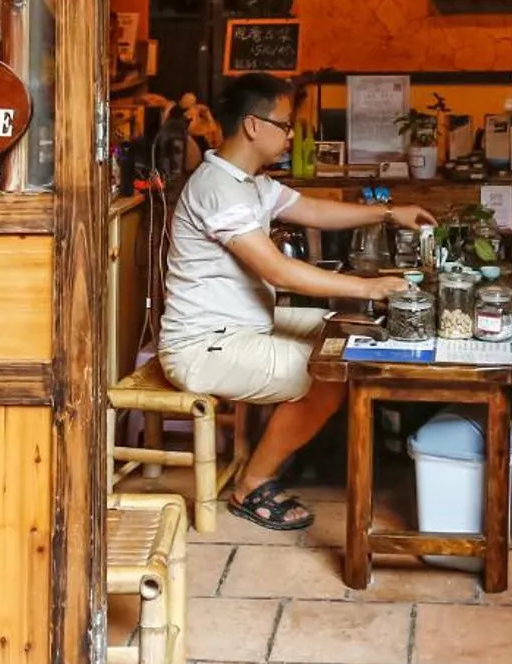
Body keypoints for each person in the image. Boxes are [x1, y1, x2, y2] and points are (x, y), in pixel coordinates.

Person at [159, 73, 437, 531]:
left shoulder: (248, 182)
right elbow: (277, 270)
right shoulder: (218, 188)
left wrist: (390, 212)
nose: (290, 135)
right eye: (285, 125)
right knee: (329, 372)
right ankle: (252, 485)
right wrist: (369, 287)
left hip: (247, 328)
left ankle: (301, 452)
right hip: (202, 347)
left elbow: (312, 210)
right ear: (253, 126)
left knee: (348, 331)